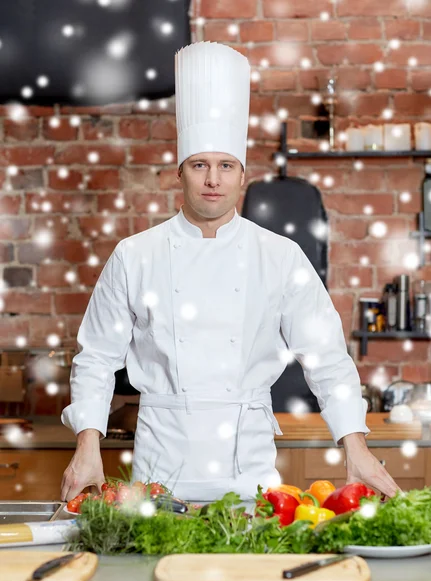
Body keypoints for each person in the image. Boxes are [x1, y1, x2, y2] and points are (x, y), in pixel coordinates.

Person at [61, 41, 401, 503]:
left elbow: (328, 359)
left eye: (225, 166)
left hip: (250, 476)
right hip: (158, 475)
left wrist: (355, 446)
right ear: (179, 172)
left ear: (243, 176)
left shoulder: (279, 256)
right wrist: (87, 444)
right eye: (200, 165)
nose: (213, 179)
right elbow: (97, 357)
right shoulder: (134, 255)